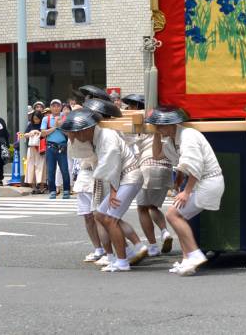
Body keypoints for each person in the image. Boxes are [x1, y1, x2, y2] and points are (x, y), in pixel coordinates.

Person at [61, 109, 143, 272]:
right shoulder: (96, 137)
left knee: (110, 218)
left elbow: (113, 164)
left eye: (78, 132)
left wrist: (113, 191)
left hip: (128, 177)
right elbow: (80, 150)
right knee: (99, 214)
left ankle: (122, 261)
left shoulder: (107, 136)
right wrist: (70, 135)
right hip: (123, 179)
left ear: (88, 128)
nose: (77, 137)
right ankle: (126, 252)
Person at [149, 108, 225, 276]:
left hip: (208, 182)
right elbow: (156, 155)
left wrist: (186, 192)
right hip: (201, 182)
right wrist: (155, 132)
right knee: (180, 218)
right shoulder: (171, 140)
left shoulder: (188, 135)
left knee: (172, 214)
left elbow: (194, 165)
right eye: (156, 126)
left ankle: (194, 254)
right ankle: (187, 261)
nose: (158, 129)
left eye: (160, 126)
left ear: (170, 125)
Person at [126, 94, 174, 259]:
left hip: (147, 164)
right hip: (166, 165)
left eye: (131, 106)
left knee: (142, 208)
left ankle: (153, 246)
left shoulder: (140, 121)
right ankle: (165, 231)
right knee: (153, 206)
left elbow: (128, 139)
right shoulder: (164, 119)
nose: (129, 109)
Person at [41, 99, 71, 199]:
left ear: (61, 107)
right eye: (53, 106)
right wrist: (55, 126)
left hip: (62, 146)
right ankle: (52, 191)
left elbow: (69, 133)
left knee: (65, 170)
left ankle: (66, 190)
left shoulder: (65, 118)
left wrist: (61, 126)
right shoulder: (46, 119)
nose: (56, 108)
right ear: (50, 107)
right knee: (50, 170)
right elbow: (43, 133)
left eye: (58, 106)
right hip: (50, 146)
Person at [21, 109, 46, 193]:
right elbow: (25, 135)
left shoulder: (43, 124)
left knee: (41, 166)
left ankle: (42, 186)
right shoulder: (30, 125)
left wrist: (38, 132)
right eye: (34, 118)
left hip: (40, 148)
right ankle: (34, 187)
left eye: (37, 118)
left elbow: (44, 134)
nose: (36, 120)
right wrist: (31, 133)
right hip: (31, 148)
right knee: (31, 166)